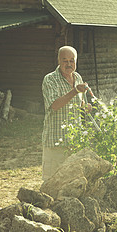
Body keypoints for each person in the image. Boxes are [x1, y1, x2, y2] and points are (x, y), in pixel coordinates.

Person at [41, 46, 91, 181]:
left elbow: (78, 104)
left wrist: (85, 107)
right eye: (65, 61)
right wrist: (75, 91)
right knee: (52, 182)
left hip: (75, 141)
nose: (69, 64)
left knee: (72, 182)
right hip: (56, 142)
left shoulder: (78, 77)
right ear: (58, 61)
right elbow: (55, 105)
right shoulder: (50, 79)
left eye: (72, 61)